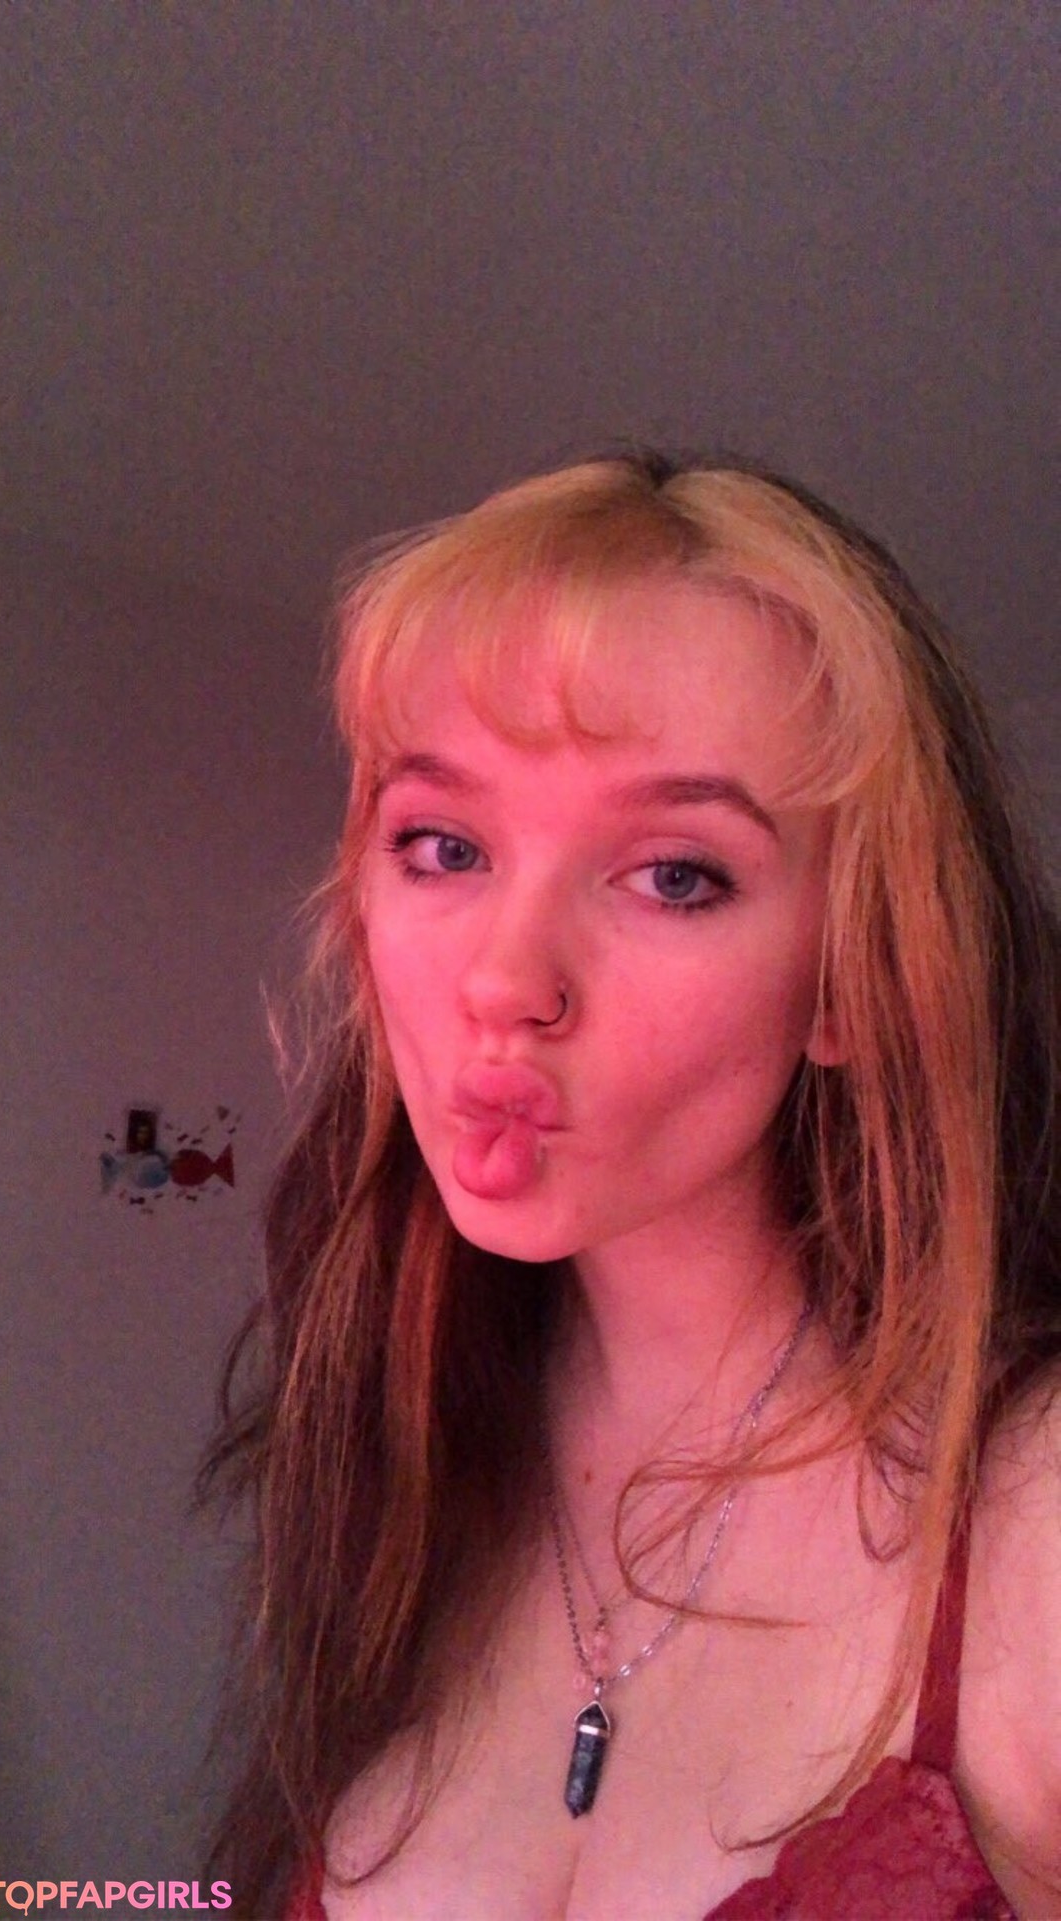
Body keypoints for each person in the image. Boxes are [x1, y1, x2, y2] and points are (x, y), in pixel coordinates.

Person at [201, 453, 1060, 1917]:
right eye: (444, 846)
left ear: (849, 977)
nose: (505, 980)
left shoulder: (1030, 1520)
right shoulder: (393, 1461)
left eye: (674, 875)